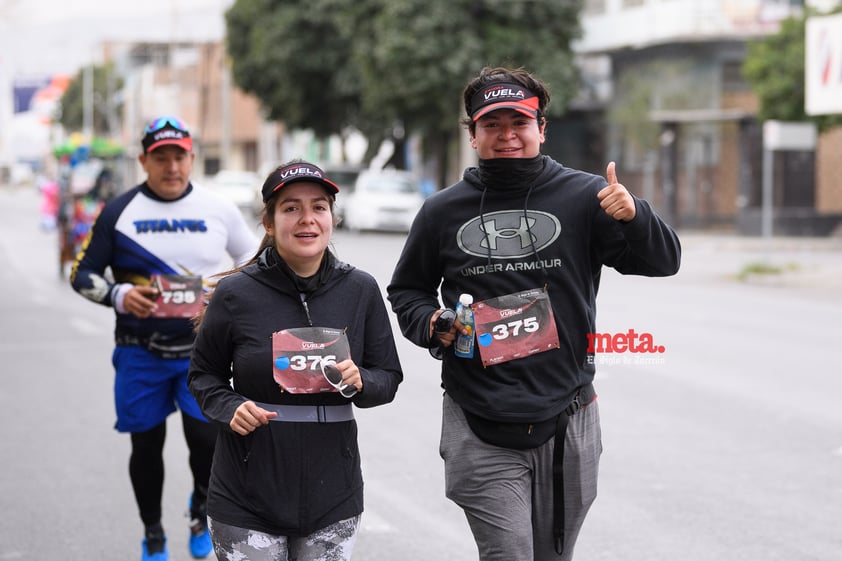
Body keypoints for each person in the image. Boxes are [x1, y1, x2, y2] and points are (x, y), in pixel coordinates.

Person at [387, 66, 682, 561]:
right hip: (478, 415)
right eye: (492, 124)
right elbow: (407, 290)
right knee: (509, 554)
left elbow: (663, 262)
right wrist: (432, 324)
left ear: (541, 128)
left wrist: (635, 215)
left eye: (519, 123)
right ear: (473, 133)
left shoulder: (587, 197)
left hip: (568, 415)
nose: (507, 136)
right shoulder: (442, 211)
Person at [187, 160, 403, 561]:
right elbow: (203, 376)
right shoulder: (235, 294)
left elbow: (388, 378)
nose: (307, 219)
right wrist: (231, 406)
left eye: (319, 207)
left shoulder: (360, 290)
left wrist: (361, 382)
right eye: (291, 208)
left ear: (332, 218)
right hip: (246, 494)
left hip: (333, 496)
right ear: (268, 222)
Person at [70, 115, 259, 561]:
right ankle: (152, 533)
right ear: (143, 161)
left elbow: (255, 260)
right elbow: (82, 273)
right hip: (140, 353)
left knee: (208, 446)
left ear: (192, 158)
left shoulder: (219, 208)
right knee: (146, 448)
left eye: (179, 156)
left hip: (203, 357)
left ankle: (199, 511)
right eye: (161, 158)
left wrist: (225, 291)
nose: (171, 166)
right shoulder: (118, 211)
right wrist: (118, 294)